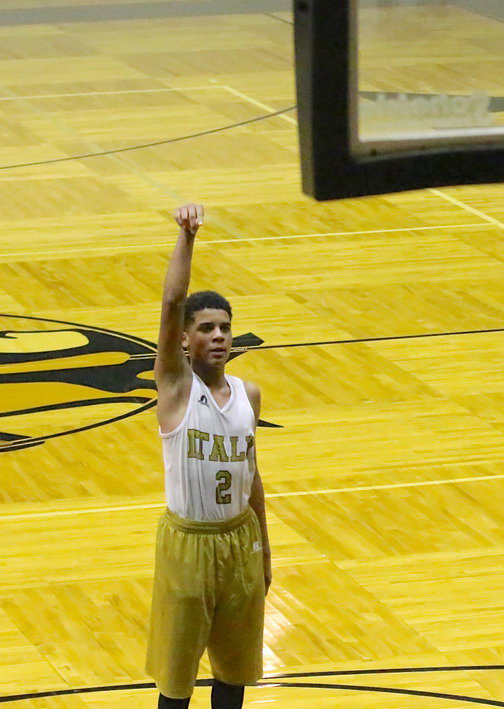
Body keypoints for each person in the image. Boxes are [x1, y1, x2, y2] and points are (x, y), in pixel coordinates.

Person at [145, 204, 271, 708]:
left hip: (240, 539)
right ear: (183, 338)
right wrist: (187, 237)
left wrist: (265, 551)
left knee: (234, 674)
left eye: (225, 327)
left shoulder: (249, 395)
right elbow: (171, 301)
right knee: (177, 681)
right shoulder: (176, 388)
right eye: (205, 328)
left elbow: (252, 476)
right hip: (188, 544)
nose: (218, 336)